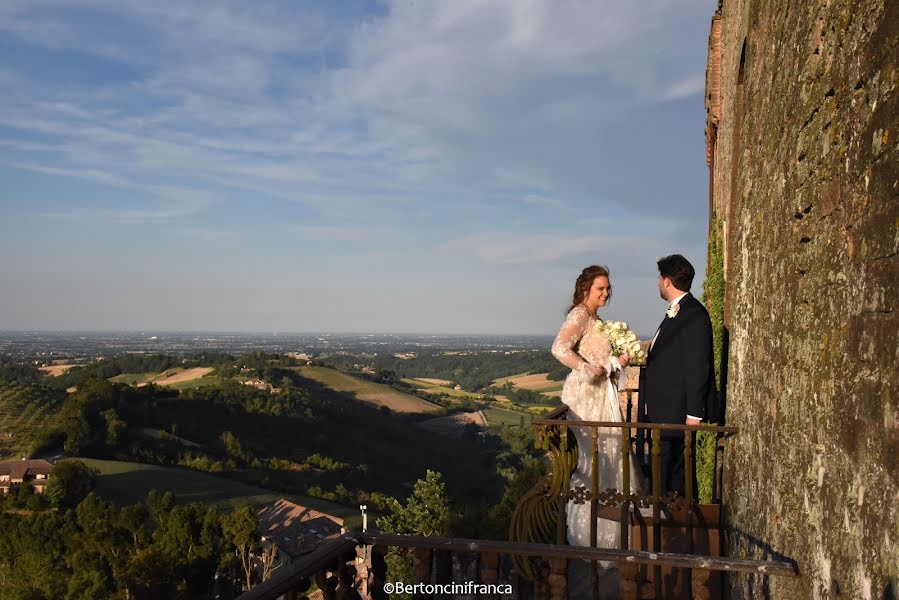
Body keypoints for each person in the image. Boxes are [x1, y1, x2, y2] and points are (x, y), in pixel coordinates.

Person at [551, 265, 645, 553]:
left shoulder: (596, 319)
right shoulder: (580, 314)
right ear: (585, 290)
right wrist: (587, 367)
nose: (607, 292)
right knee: (595, 461)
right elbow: (558, 348)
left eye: (608, 288)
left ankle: (614, 532)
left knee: (613, 457)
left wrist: (618, 361)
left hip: (601, 397)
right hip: (586, 400)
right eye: (600, 288)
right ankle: (587, 536)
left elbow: (604, 362)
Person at [637, 254, 717, 498]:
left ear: (668, 281)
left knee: (675, 474)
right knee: (664, 469)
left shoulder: (694, 315)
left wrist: (694, 415)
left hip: (678, 412)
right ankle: (665, 516)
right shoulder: (679, 312)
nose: (659, 283)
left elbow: (698, 366)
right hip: (666, 411)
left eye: (660, 278)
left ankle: (674, 523)